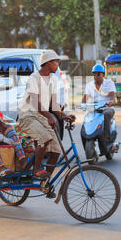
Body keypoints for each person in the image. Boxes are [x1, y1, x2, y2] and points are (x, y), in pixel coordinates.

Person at [18, 50, 76, 179]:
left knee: (56, 150)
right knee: (44, 137)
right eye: (56, 62)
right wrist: (49, 116)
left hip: (40, 117)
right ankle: (37, 169)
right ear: (48, 63)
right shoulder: (34, 78)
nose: (57, 65)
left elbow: (53, 104)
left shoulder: (53, 80)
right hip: (28, 116)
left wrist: (63, 115)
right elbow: (34, 102)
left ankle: (46, 180)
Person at [82, 64, 116, 144]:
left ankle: (107, 138)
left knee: (107, 113)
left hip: (107, 107)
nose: (96, 76)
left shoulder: (109, 83)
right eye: (94, 74)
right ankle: (87, 136)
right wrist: (83, 105)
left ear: (103, 74)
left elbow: (112, 95)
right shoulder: (89, 85)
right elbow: (85, 98)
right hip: (94, 108)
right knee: (87, 117)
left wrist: (111, 102)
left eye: (98, 74)